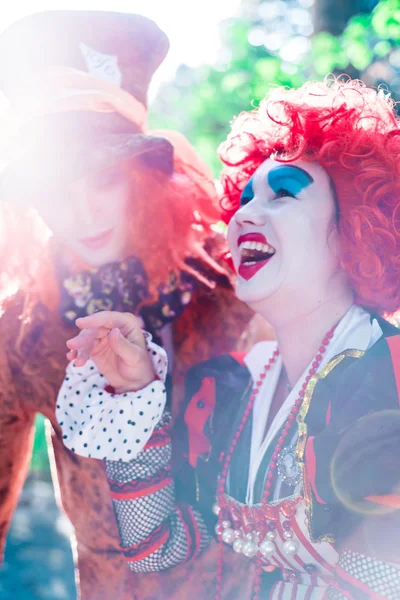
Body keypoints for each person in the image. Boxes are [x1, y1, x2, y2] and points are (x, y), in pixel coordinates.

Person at [59, 76, 400, 599]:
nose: (243, 215)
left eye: (283, 194)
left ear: (355, 226)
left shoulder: (390, 373)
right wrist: (135, 390)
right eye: (243, 198)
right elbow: (159, 546)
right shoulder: (231, 386)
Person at [0, 11, 261, 600]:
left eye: (103, 180)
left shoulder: (231, 286)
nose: (83, 214)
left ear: (145, 177)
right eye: (56, 189)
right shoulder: (22, 332)